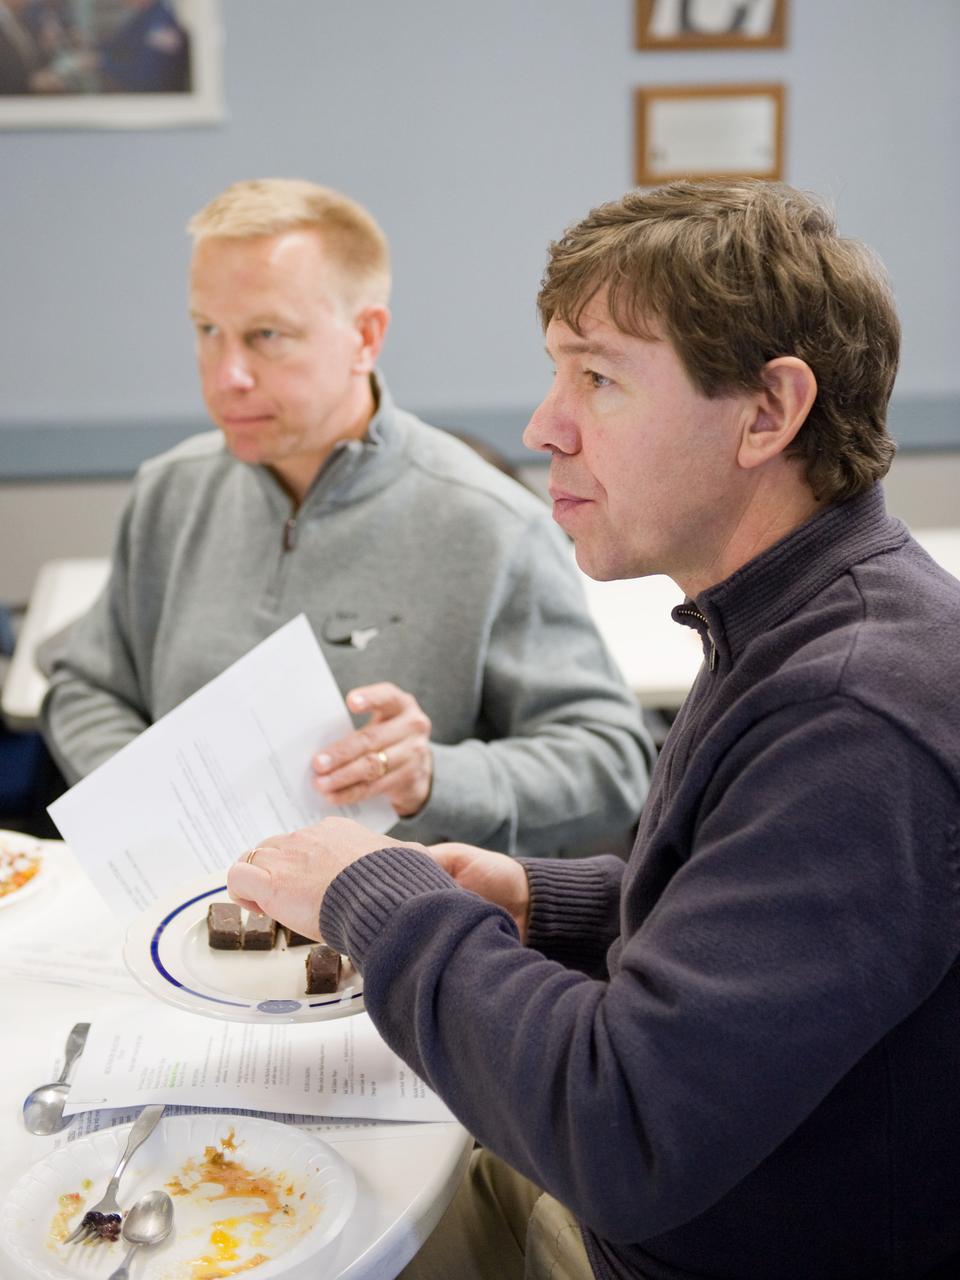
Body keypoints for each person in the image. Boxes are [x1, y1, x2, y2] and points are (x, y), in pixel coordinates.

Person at [224, 180, 960, 1280]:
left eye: (599, 376)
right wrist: (541, 900)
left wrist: (376, 895)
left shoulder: (853, 712)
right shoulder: (797, 620)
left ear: (769, 411)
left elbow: (626, 1129)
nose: (542, 425)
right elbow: (760, 926)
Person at [42, 178, 652, 857]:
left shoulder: (490, 522)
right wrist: (144, 807)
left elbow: (611, 763)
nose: (227, 375)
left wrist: (434, 777)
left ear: (365, 337)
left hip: (386, 932)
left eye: (267, 335)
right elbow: (86, 685)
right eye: (207, 331)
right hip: (182, 915)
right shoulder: (170, 493)